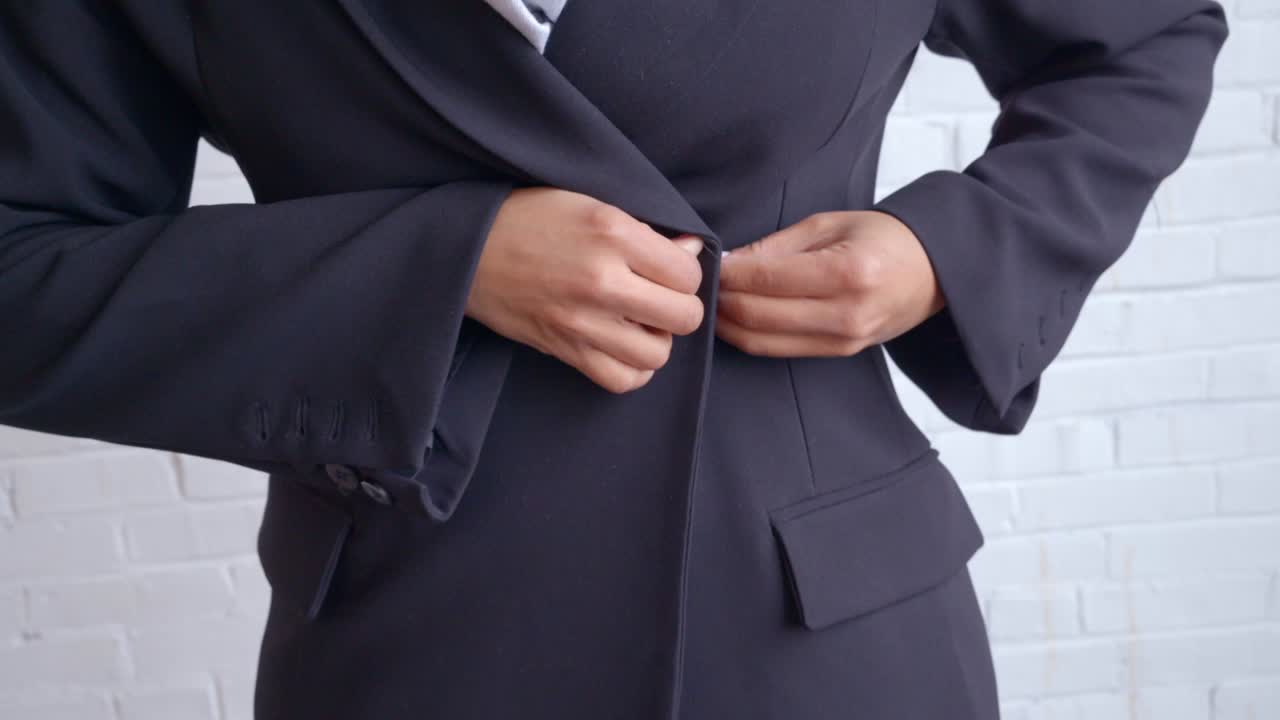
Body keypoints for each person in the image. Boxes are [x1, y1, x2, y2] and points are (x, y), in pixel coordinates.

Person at [0, 2, 1228, 718]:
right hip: (415, 633)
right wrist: (440, 265)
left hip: (822, 627)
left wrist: (943, 250)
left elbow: (1141, 34)